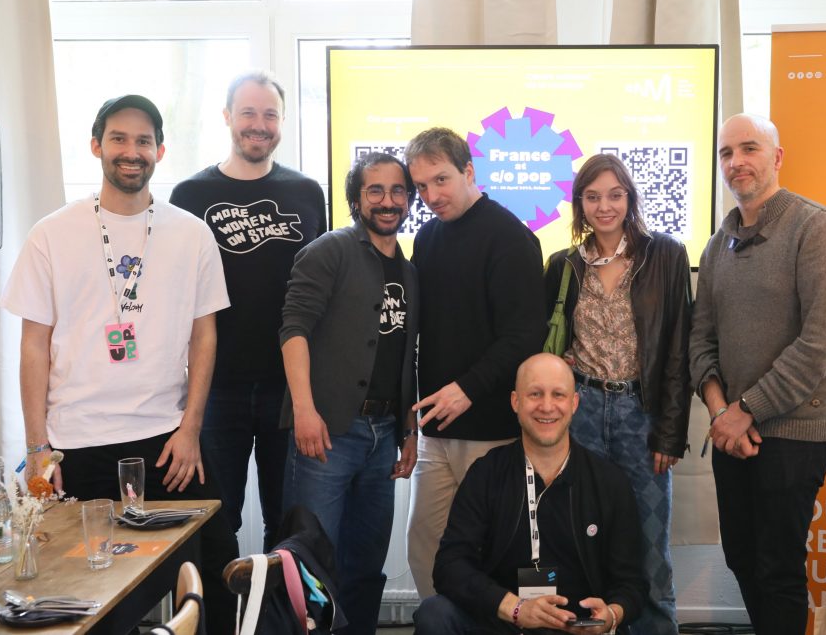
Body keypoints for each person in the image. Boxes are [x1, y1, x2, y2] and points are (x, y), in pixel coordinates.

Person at [0, 94, 238, 632]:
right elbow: (33, 345)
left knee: (217, 566)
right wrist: (37, 449)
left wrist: (191, 428)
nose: (132, 151)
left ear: (160, 151)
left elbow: (204, 336)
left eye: (143, 141)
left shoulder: (191, 233)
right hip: (76, 444)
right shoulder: (51, 234)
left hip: (168, 440)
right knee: (85, 587)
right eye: (119, 139)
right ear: (96, 146)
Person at [688, 113, 826, 635]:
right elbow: (700, 341)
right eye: (726, 153)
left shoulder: (816, 228)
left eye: (749, 148)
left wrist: (746, 410)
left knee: (777, 569)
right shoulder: (717, 244)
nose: (736, 161)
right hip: (732, 433)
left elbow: (821, 343)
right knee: (740, 557)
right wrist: (722, 413)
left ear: (776, 157)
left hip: (793, 434)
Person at [170, 71, 327, 549]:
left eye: (270, 115)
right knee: (216, 522)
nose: (259, 125)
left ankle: (277, 600)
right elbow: (176, 296)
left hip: (291, 389)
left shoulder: (307, 193)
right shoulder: (189, 196)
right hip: (216, 386)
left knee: (290, 524)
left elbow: (325, 291)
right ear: (227, 117)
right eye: (248, 113)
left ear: (282, 122)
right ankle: (222, 599)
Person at [543, 153, 692, 635]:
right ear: (579, 204)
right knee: (581, 537)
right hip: (581, 412)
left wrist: (670, 433)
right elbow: (550, 343)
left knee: (649, 544)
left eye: (614, 195)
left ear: (629, 198)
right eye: (592, 197)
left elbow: (678, 350)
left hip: (640, 414)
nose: (604, 206)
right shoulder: (564, 265)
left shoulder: (664, 255)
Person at [279, 152, 419, 634]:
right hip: (328, 433)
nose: (387, 201)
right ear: (356, 200)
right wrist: (304, 410)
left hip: (384, 436)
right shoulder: (329, 251)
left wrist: (409, 431)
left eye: (397, 191)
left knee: (365, 566)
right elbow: (293, 329)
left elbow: (405, 356)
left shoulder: (409, 269)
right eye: (375, 190)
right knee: (311, 564)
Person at [405, 127, 546, 598]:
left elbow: (524, 336)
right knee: (424, 546)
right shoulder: (426, 237)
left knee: (498, 552)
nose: (431, 196)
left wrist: (467, 388)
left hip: (493, 430)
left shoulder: (510, 237)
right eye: (421, 186)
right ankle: (439, 624)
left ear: (469, 171)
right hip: (435, 429)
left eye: (441, 180)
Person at [414, 353, 647, 635]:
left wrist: (610, 615)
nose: (547, 407)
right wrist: (514, 608)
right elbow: (449, 566)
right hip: (506, 621)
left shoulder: (609, 482)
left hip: (576, 627)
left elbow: (632, 584)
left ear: (574, 403)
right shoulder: (486, 474)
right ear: (516, 402)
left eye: (558, 395)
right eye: (535, 394)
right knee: (434, 613)